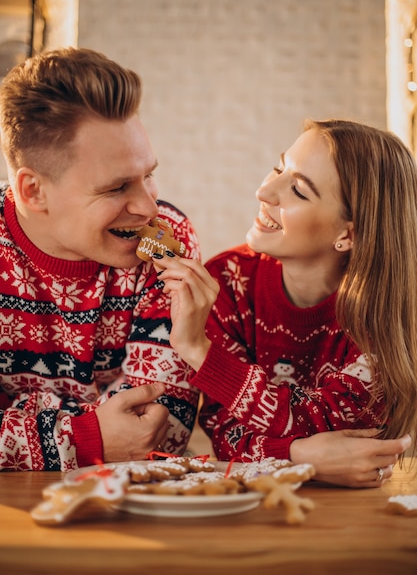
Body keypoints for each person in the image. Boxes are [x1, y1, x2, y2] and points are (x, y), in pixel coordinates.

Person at [154, 118, 417, 487]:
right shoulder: (228, 281)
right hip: (256, 502)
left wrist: (199, 350)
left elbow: (346, 441)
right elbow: (227, 438)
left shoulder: (382, 316)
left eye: (298, 190)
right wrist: (301, 455)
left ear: (348, 234)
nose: (265, 191)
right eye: (279, 167)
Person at [0, 47, 202, 471]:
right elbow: (117, 439)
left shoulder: (167, 239)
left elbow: (158, 430)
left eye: (148, 175)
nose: (148, 207)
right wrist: (88, 436)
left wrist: (26, 418)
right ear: (33, 191)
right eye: (116, 188)